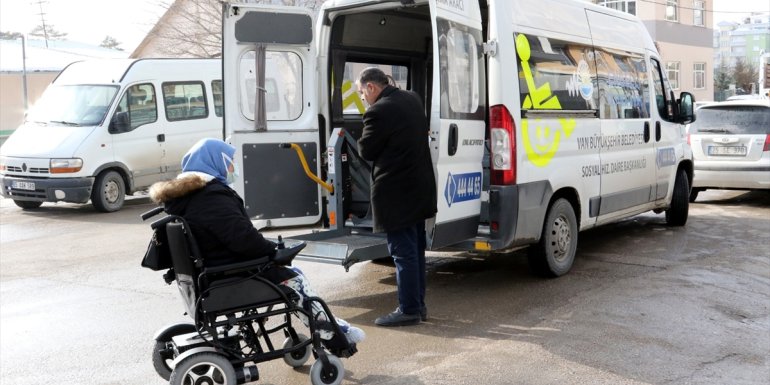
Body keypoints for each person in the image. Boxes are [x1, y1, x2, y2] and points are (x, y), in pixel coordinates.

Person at [149, 138, 365, 344]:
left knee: (290, 273)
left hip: (211, 269)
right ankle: (334, 335)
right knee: (294, 278)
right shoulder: (210, 197)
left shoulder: (184, 198)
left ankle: (330, 328)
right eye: (229, 162)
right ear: (216, 162)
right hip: (230, 273)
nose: (232, 167)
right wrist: (273, 251)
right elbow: (243, 239)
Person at [356, 67, 437, 327]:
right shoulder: (412, 98)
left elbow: (366, 150)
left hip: (396, 193)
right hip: (419, 188)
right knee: (415, 250)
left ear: (371, 87)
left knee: (403, 253)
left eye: (362, 93)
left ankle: (409, 310)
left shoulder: (378, 111)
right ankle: (418, 306)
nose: (363, 98)